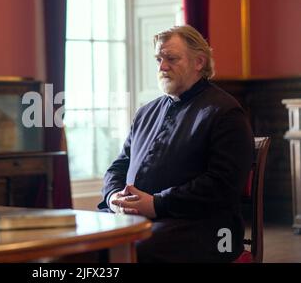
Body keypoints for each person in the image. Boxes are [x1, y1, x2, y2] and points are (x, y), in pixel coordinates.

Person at [98, 25, 254, 262]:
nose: (162, 67)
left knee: (137, 250)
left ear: (199, 62)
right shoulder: (145, 112)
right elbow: (118, 167)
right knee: (83, 244)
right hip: (138, 218)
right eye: (159, 59)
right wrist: (113, 197)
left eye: (171, 58)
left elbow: (222, 184)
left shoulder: (225, 112)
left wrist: (157, 204)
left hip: (202, 227)